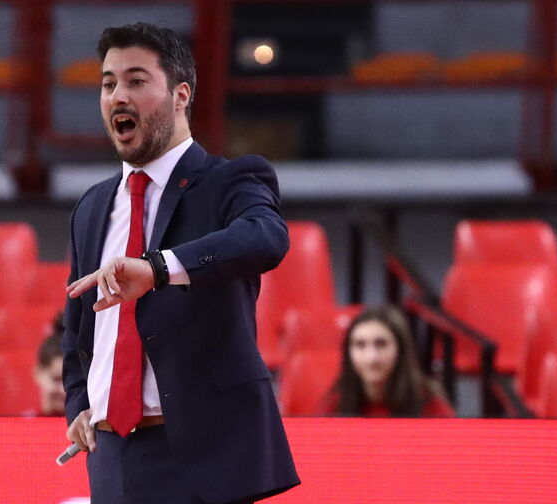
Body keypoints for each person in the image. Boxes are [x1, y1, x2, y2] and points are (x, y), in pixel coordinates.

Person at [62, 22, 299, 504]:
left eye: (136, 80)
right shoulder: (92, 206)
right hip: (111, 457)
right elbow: (78, 326)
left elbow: (266, 238)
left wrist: (159, 268)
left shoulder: (230, 180)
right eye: (108, 84)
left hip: (202, 458)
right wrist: (80, 404)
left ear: (180, 95)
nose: (117, 96)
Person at [320, 305, 455, 418]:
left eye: (381, 344)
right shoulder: (335, 405)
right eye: (360, 345)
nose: (371, 358)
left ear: (400, 349)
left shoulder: (430, 404)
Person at [32, 314, 66, 417]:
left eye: (74, 381)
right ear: (39, 374)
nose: (64, 390)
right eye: (57, 379)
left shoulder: (96, 426)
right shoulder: (20, 424)